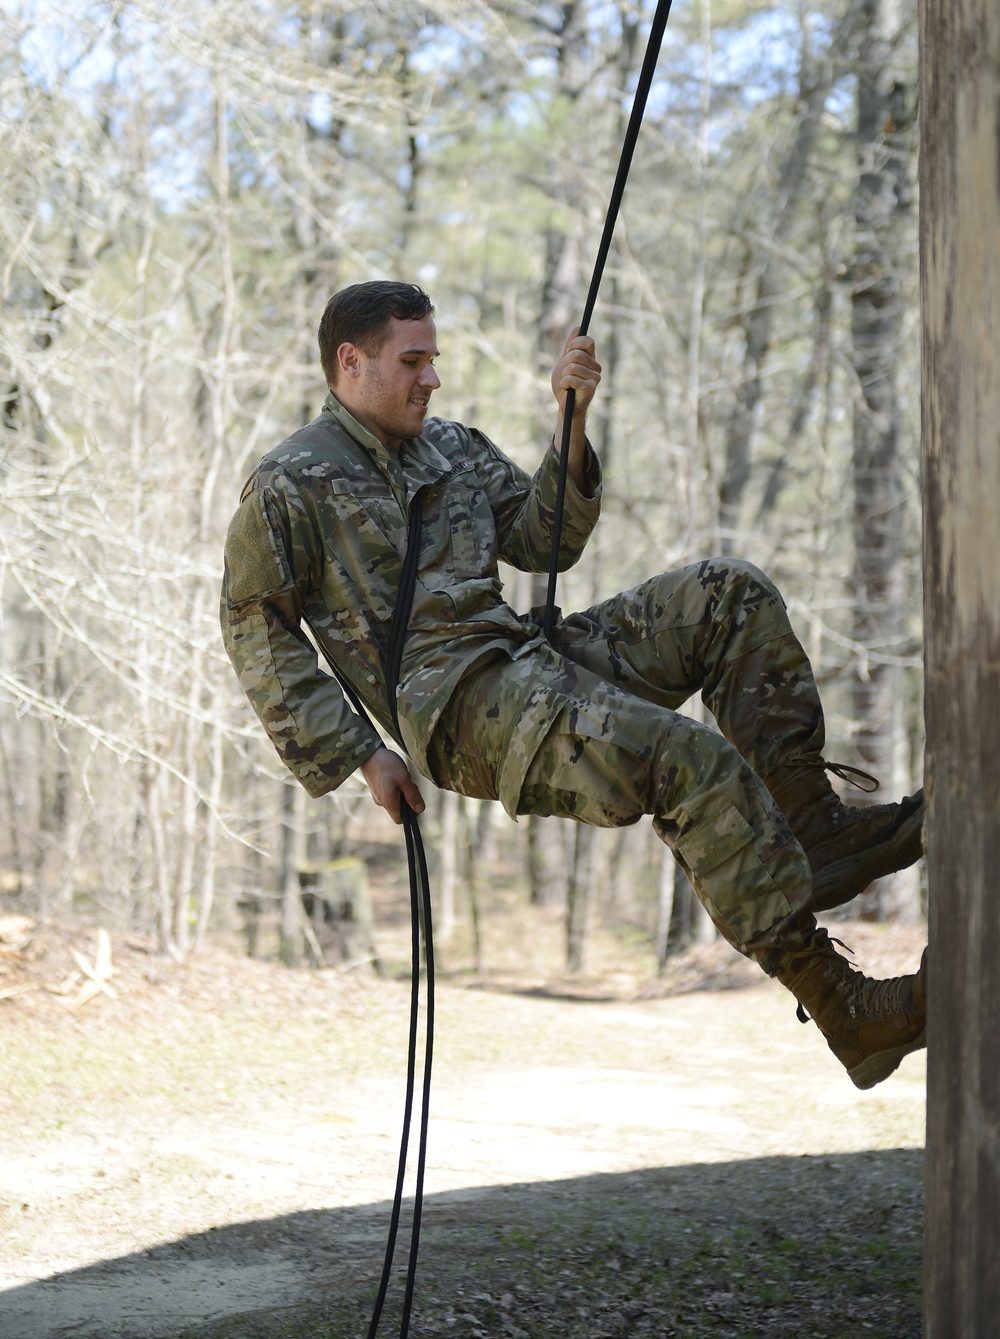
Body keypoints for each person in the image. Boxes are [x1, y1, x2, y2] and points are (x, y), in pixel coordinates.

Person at [221, 280, 927, 1090]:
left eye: (433, 360)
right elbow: (256, 631)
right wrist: (361, 754)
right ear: (351, 361)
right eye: (412, 361)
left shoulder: (449, 445)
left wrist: (572, 423)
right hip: (461, 712)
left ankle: (814, 832)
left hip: (530, 657)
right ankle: (850, 1014)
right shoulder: (290, 483)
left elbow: (542, 538)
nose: (432, 380)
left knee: (729, 594)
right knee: (687, 760)